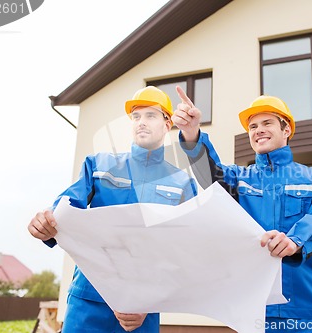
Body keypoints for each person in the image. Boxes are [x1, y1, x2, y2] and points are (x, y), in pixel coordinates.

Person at [27, 86, 197, 333]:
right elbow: (65, 209)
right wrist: (46, 224)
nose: (141, 122)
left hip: (142, 309)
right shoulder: (98, 165)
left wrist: (148, 302)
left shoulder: (182, 183)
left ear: (167, 123)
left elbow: (185, 250)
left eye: (150, 115)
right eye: (136, 116)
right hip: (88, 301)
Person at [172, 86, 312, 333]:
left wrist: (295, 240)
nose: (259, 130)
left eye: (267, 123)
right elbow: (210, 174)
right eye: (253, 126)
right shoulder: (240, 179)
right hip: (257, 309)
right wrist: (191, 134)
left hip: (310, 308)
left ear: (286, 130)